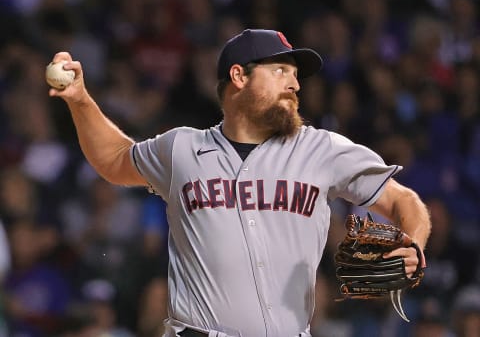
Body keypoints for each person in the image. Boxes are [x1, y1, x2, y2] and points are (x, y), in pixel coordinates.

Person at [48, 29, 431, 337]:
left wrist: (413, 242)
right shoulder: (182, 148)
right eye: (280, 70)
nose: (294, 84)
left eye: (296, 75)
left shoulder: (322, 148)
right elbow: (115, 161)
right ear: (239, 76)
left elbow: (403, 201)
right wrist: (80, 100)